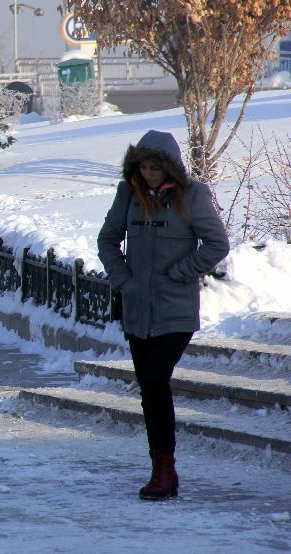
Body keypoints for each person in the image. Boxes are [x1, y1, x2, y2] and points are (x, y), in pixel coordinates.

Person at [97, 130, 229, 501]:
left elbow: (217, 244)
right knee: (149, 389)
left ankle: (165, 470)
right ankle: (161, 466)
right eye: (143, 166)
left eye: (156, 167)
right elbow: (107, 239)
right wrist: (124, 280)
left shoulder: (192, 195)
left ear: (170, 166)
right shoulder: (129, 194)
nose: (150, 173)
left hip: (175, 310)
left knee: (155, 381)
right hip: (137, 309)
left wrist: (182, 272)